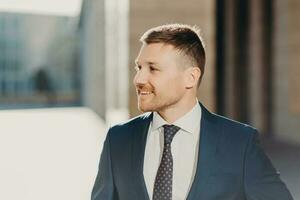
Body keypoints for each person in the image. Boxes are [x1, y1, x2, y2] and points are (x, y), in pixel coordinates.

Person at [91, 24, 293, 200]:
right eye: (139, 67)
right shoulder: (118, 140)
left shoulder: (240, 143)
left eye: (153, 68)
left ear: (190, 78)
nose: (139, 79)